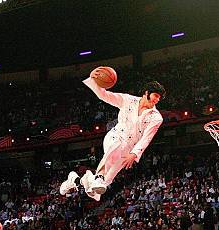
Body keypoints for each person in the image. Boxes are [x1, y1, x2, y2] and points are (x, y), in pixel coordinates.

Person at [60, 69, 165, 201]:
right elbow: (104, 95)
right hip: (115, 136)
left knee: (100, 186)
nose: (157, 100)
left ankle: (74, 179)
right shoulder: (128, 100)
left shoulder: (156, 118)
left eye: (159, 98)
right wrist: (94, 80)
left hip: (128, 150)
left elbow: (146, 138)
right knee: (114, 149)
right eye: (156, 95)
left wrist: (134, 154)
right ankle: (98, 177)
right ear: (146, 92)